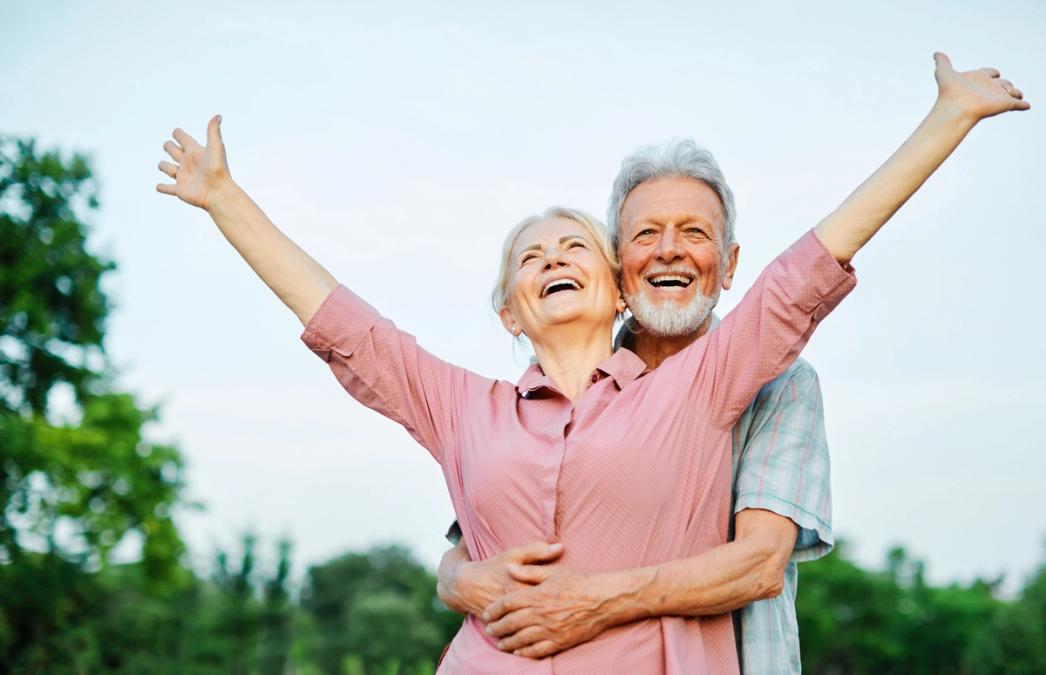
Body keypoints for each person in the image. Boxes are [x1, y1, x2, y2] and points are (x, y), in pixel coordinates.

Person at [156, 53, 1027, 673]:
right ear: (510, 306)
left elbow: (805, 270)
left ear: (616, 287)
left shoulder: (705, 386)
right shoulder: (469, 410)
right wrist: (226, 201)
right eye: (529, 256)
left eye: (572, 243)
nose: (551, 257)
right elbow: (350, 329)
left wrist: (945, 120)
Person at [435, 140, 832, 675]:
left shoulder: (782, 382)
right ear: (619, 265)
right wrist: (456, 580)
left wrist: (594, 600)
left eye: (695, 232)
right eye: (646, 234)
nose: (669, 250)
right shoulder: (566, 377)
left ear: (730, 264)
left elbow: (759, 564)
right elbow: (480, 537)